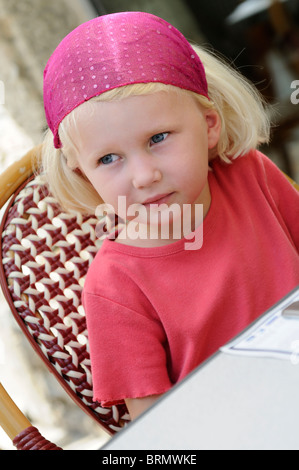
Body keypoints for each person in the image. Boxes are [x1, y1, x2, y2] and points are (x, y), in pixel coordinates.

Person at [42, 11, 299, 420]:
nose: (145, 176)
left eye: (158, 138)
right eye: (109, 158)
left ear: (209, 125)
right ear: (83, 174)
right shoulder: (114, 287)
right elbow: (154, 432)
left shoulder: (251, 175)